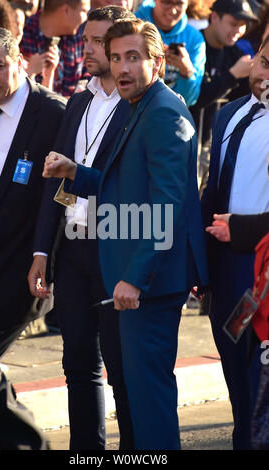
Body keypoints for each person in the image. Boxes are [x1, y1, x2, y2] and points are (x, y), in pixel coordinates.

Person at [41, 17, 208, 450]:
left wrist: (134, 277)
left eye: (133, 57)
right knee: (141, 397)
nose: (122, 68)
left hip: (150, 285)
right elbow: (123, 183)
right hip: (140, 279)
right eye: (116, 58)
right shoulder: (142, 107)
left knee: (148, 403)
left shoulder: (163, 114)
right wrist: (75, 173)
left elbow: (166, 206)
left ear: (157, 60)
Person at [28, 5, 135, 451]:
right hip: (71, 250)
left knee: (122, 367)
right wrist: (41, 251)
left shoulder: (138, 107)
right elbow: (59, 180)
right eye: (86, 39)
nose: (86, 48)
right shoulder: (78, 100)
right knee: (78, 365)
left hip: (116, 250)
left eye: (97, 42)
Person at [0, 26, 66, 449]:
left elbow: (62, 196)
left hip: (16, 272)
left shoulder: (52, 114)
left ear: (20, 63)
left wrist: (47, 255)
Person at [200, 33, 269, 449]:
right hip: (225, 271)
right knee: (237, 380)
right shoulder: (228, 115)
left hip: (263, 268)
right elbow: (210, 193)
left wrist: (244, 230)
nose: (266, 74)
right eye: (263, 62)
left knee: (259, 380)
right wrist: (198, 263)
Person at [190, 0, 258, 195]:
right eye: (233, 23)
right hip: (189, 142)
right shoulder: (195, 45)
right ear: (214, 17)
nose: (238, 30)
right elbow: (196, 97)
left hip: (217, 146)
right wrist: (232, 75)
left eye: (243, 25)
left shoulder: (235, 53)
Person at [134, 0, 206, 107]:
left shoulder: (195, 39)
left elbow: (189, 100)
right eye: (167, 2)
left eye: (179, 4)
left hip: (169, 114)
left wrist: (186, 72)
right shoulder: (131, 26)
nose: (172, 10)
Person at [20, 0, 90, 98]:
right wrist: (30, 72)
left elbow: (86, 77)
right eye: (83, 11)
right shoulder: (21, 34)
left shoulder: (77, 38)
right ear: (66, 10)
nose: (86, 18)